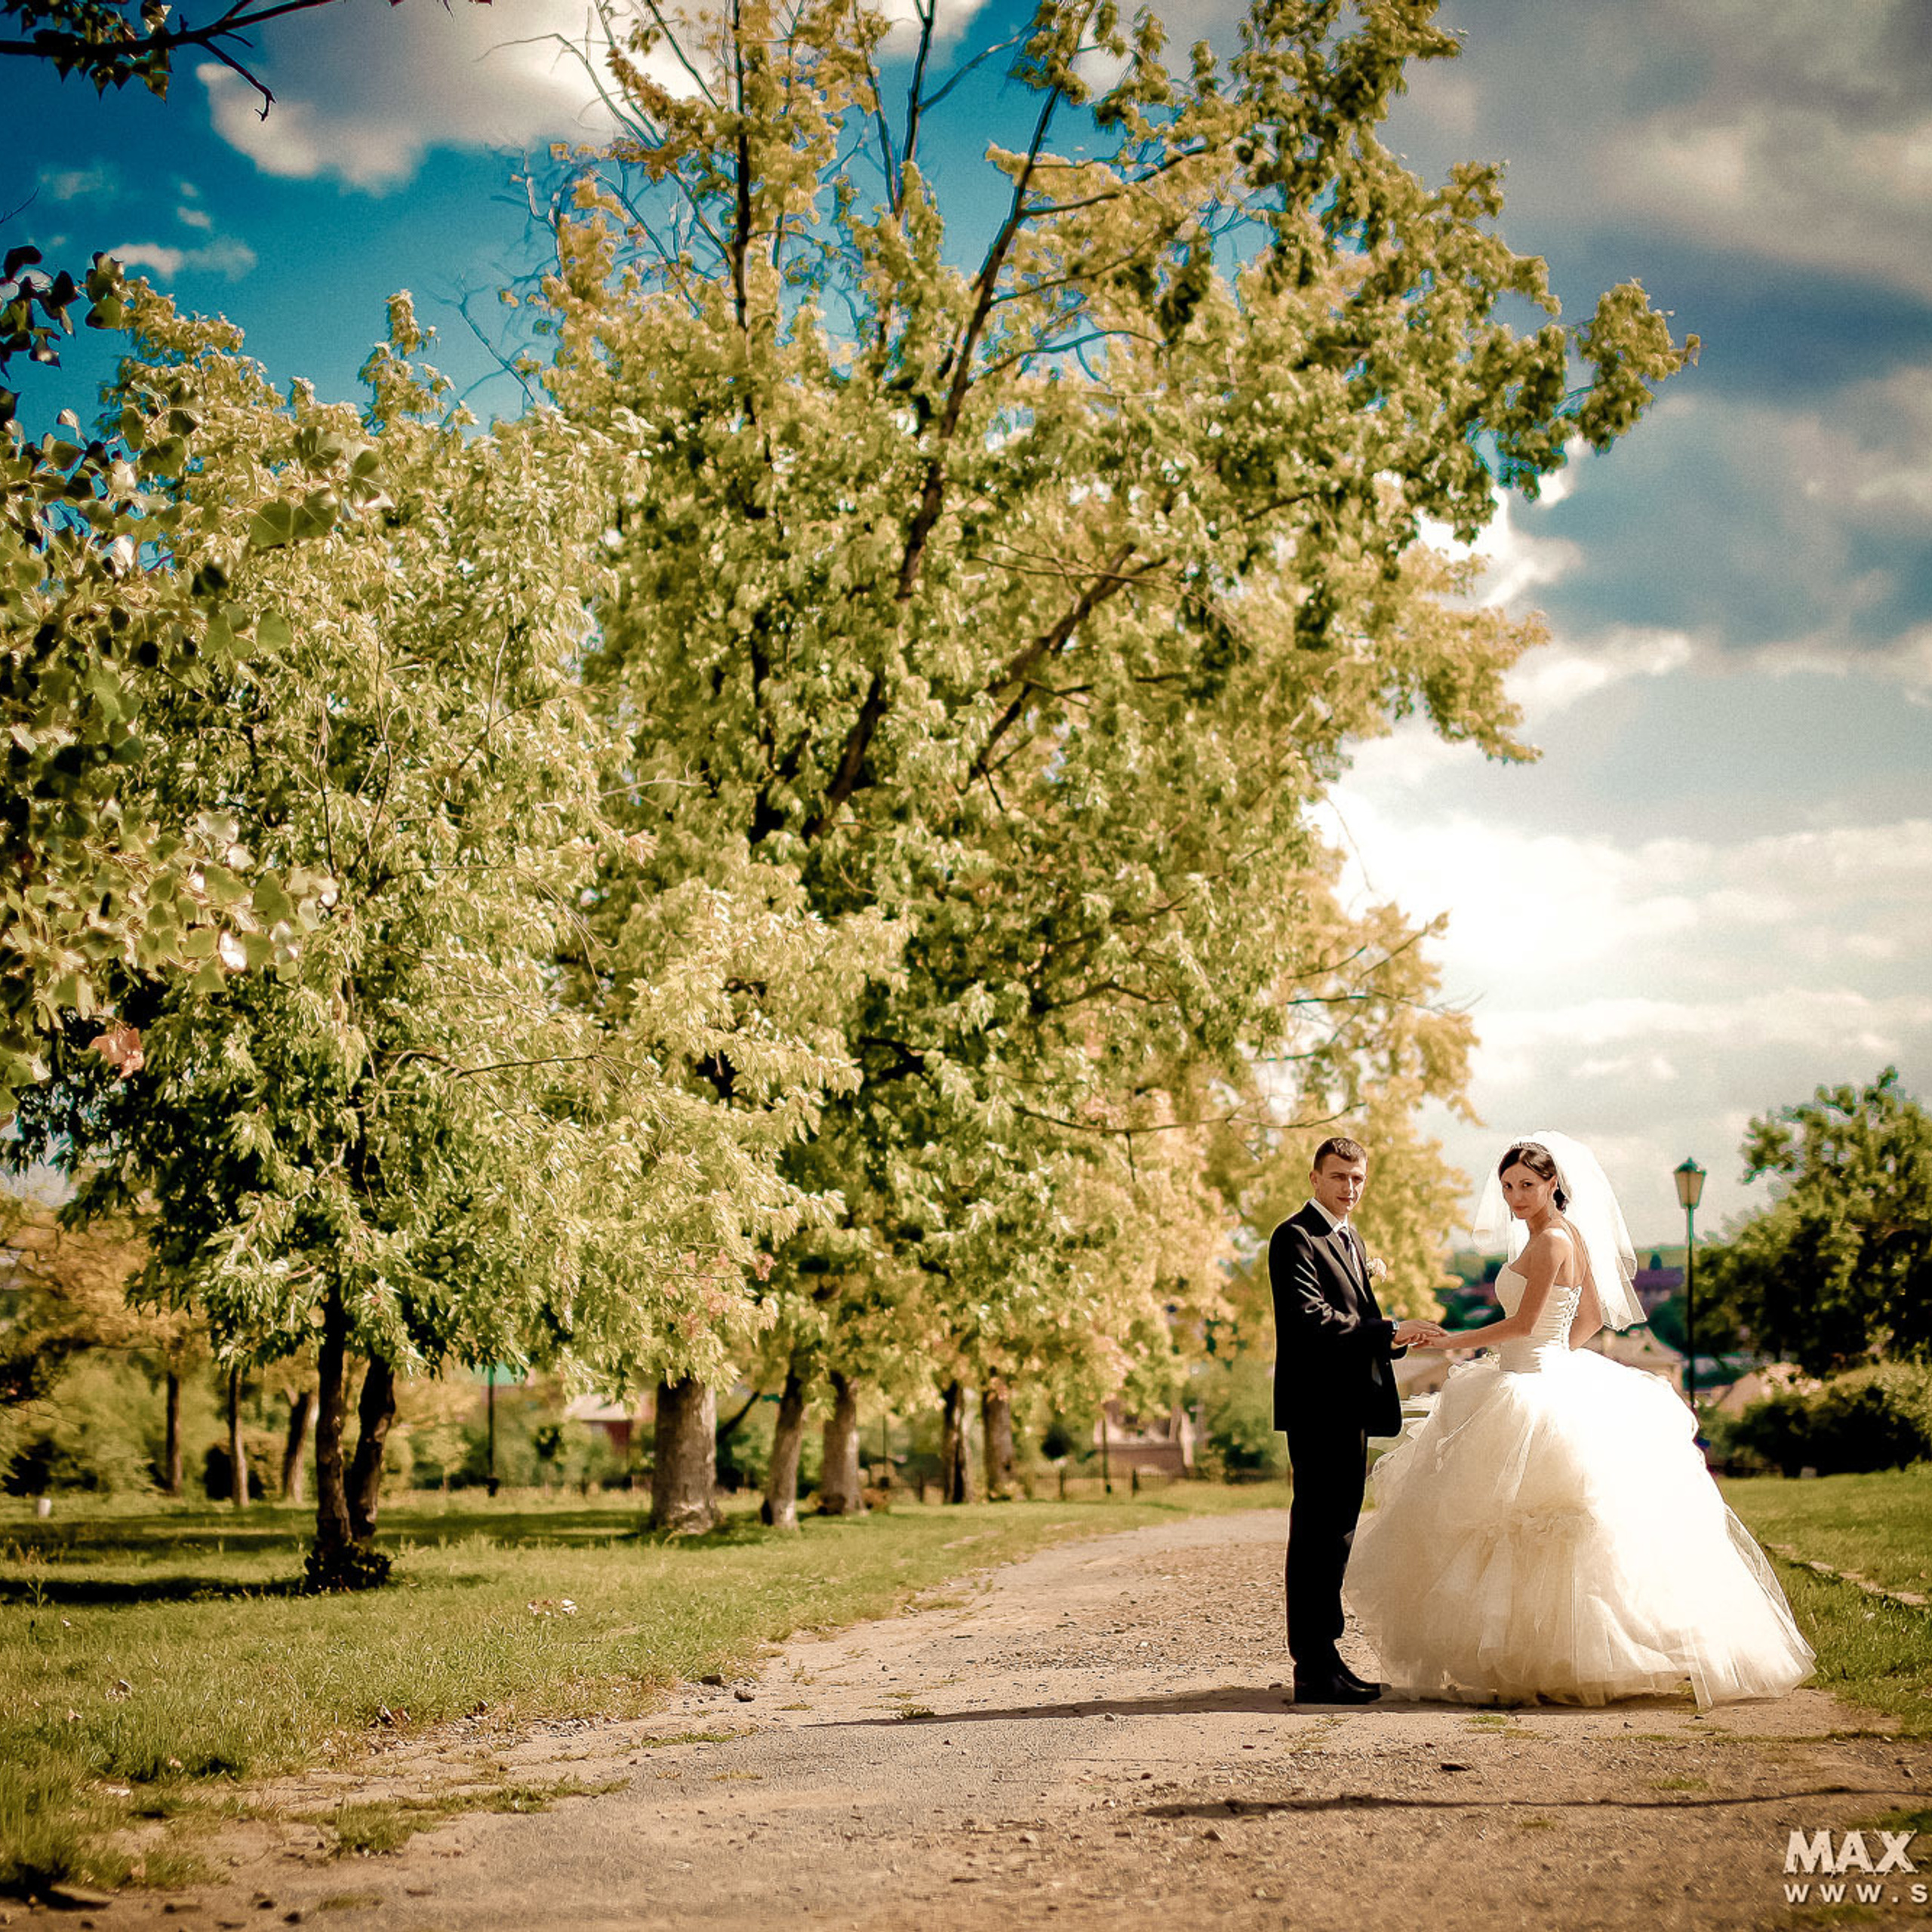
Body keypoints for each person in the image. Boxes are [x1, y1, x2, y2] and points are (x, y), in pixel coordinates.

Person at [1346, 1133, 1814, 1709]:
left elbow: (1522, 1324)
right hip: (1537, 1374)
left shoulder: (1551, 1243)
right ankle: (1546, 1659)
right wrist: (1555, 1356)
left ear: (1553, 1185)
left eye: (1527, 1185)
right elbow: (1590, 1316)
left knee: (1543, 1524)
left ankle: (1560, 1658)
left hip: (1530, 1384)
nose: (1516, 1196)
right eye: (1509, 1186)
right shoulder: (1562, 1238)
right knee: (1534, 1526)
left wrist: (1458, 1341)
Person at [1269, 1135, 1444, 1705]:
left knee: (1336, 1537)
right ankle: (1314, 1669)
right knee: (1317, 1537)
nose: (1350, 1188)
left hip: (1350, 1410)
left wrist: (1395, 1341)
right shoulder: (1294, 1237)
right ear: (1315, 1178)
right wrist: (1388, 1329)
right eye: (1339, 1177)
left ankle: (1326, 1661)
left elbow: (1354, 1321)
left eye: (1359, 1179)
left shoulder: (1349, 1237)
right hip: (1318, 1411)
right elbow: (1311, 1322)